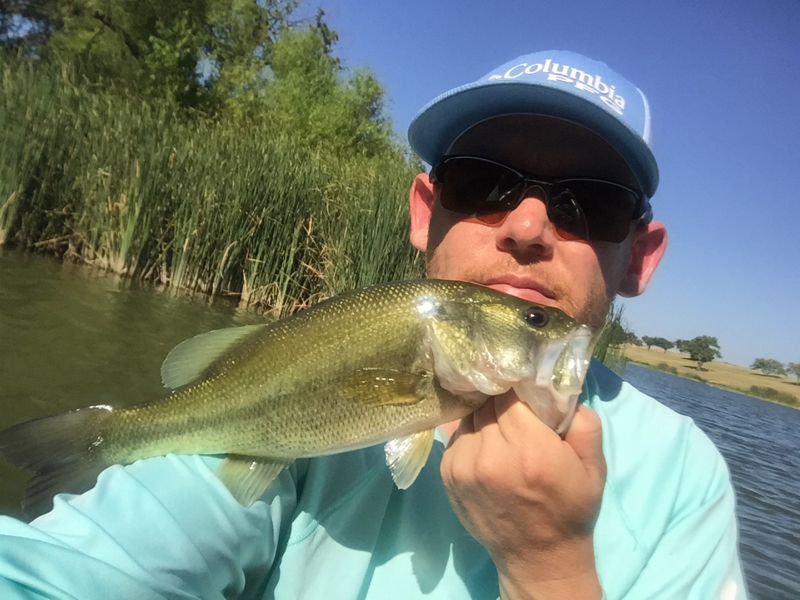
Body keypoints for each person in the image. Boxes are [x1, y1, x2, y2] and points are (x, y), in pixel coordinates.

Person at [0, 50, 747, 599]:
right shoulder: (317, 383)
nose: (526, 226)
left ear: (638, 261)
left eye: (592, 201)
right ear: (426, 211)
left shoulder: (685, 481)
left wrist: (548, 567)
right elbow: (77, 570)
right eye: (480, 182)